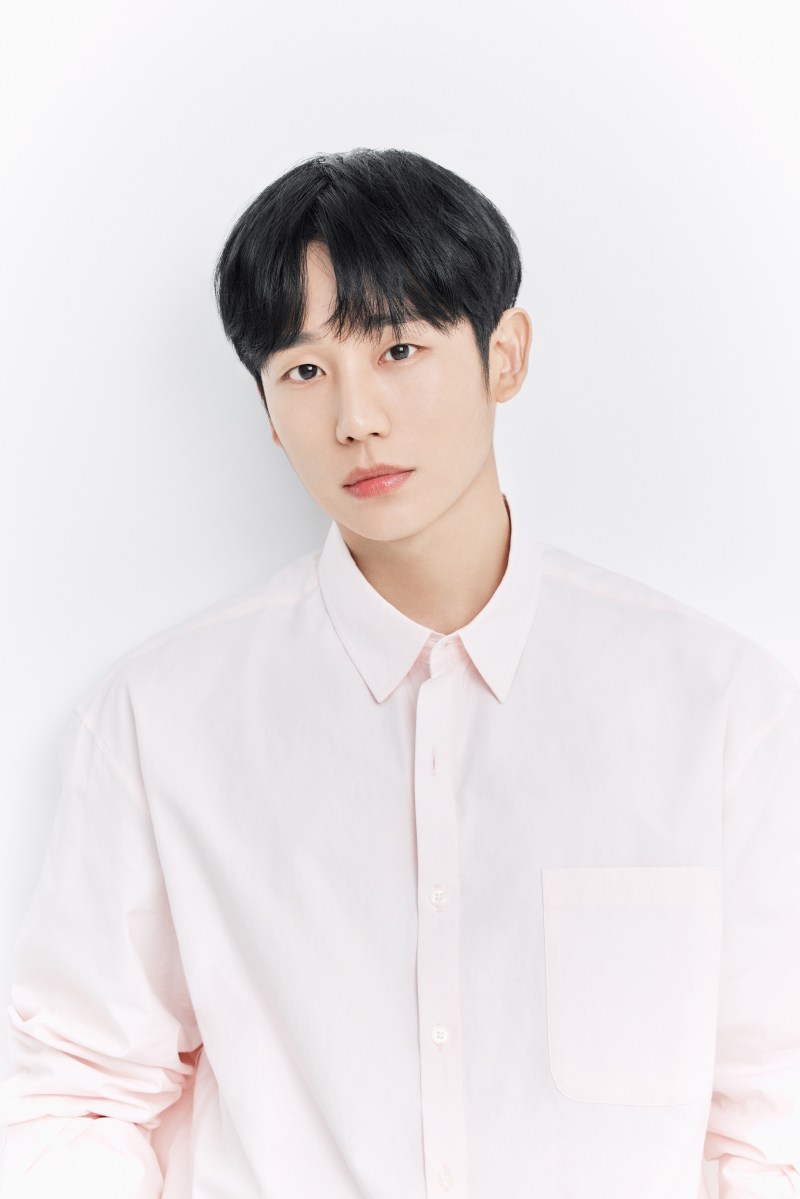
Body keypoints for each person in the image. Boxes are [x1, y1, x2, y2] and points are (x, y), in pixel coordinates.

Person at [1, 148, 798, 1199]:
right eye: (304, 370)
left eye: (399, 348)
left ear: (503, 355)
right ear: (265, 406)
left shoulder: (717, 706)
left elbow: (768, 1122)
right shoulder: (161, 720)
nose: (356, 417)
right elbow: (79, 1089)